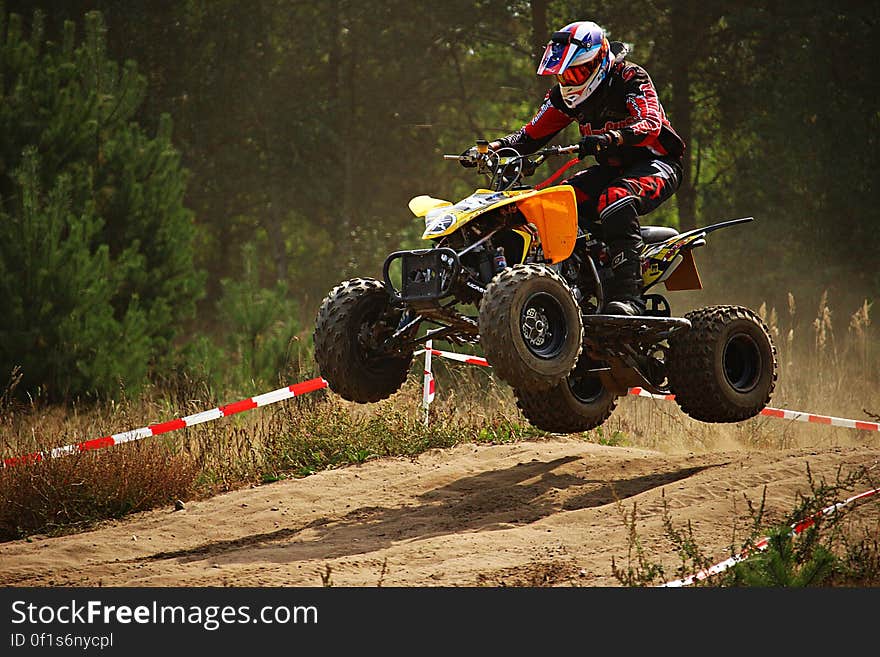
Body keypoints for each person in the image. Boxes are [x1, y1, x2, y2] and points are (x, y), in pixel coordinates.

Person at [466, 20, 686, 316]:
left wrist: (611, 137)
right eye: (563, 74)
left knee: (616, 197)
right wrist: (493, 149)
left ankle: (629, 298)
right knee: (557, 202)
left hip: (657, 163)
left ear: (599, 60)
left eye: (576, 72)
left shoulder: (629, 77)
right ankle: (572, 286)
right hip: (611, 169)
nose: (569, 81)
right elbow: (529, 136)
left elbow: (651, 123)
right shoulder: (563, 96)